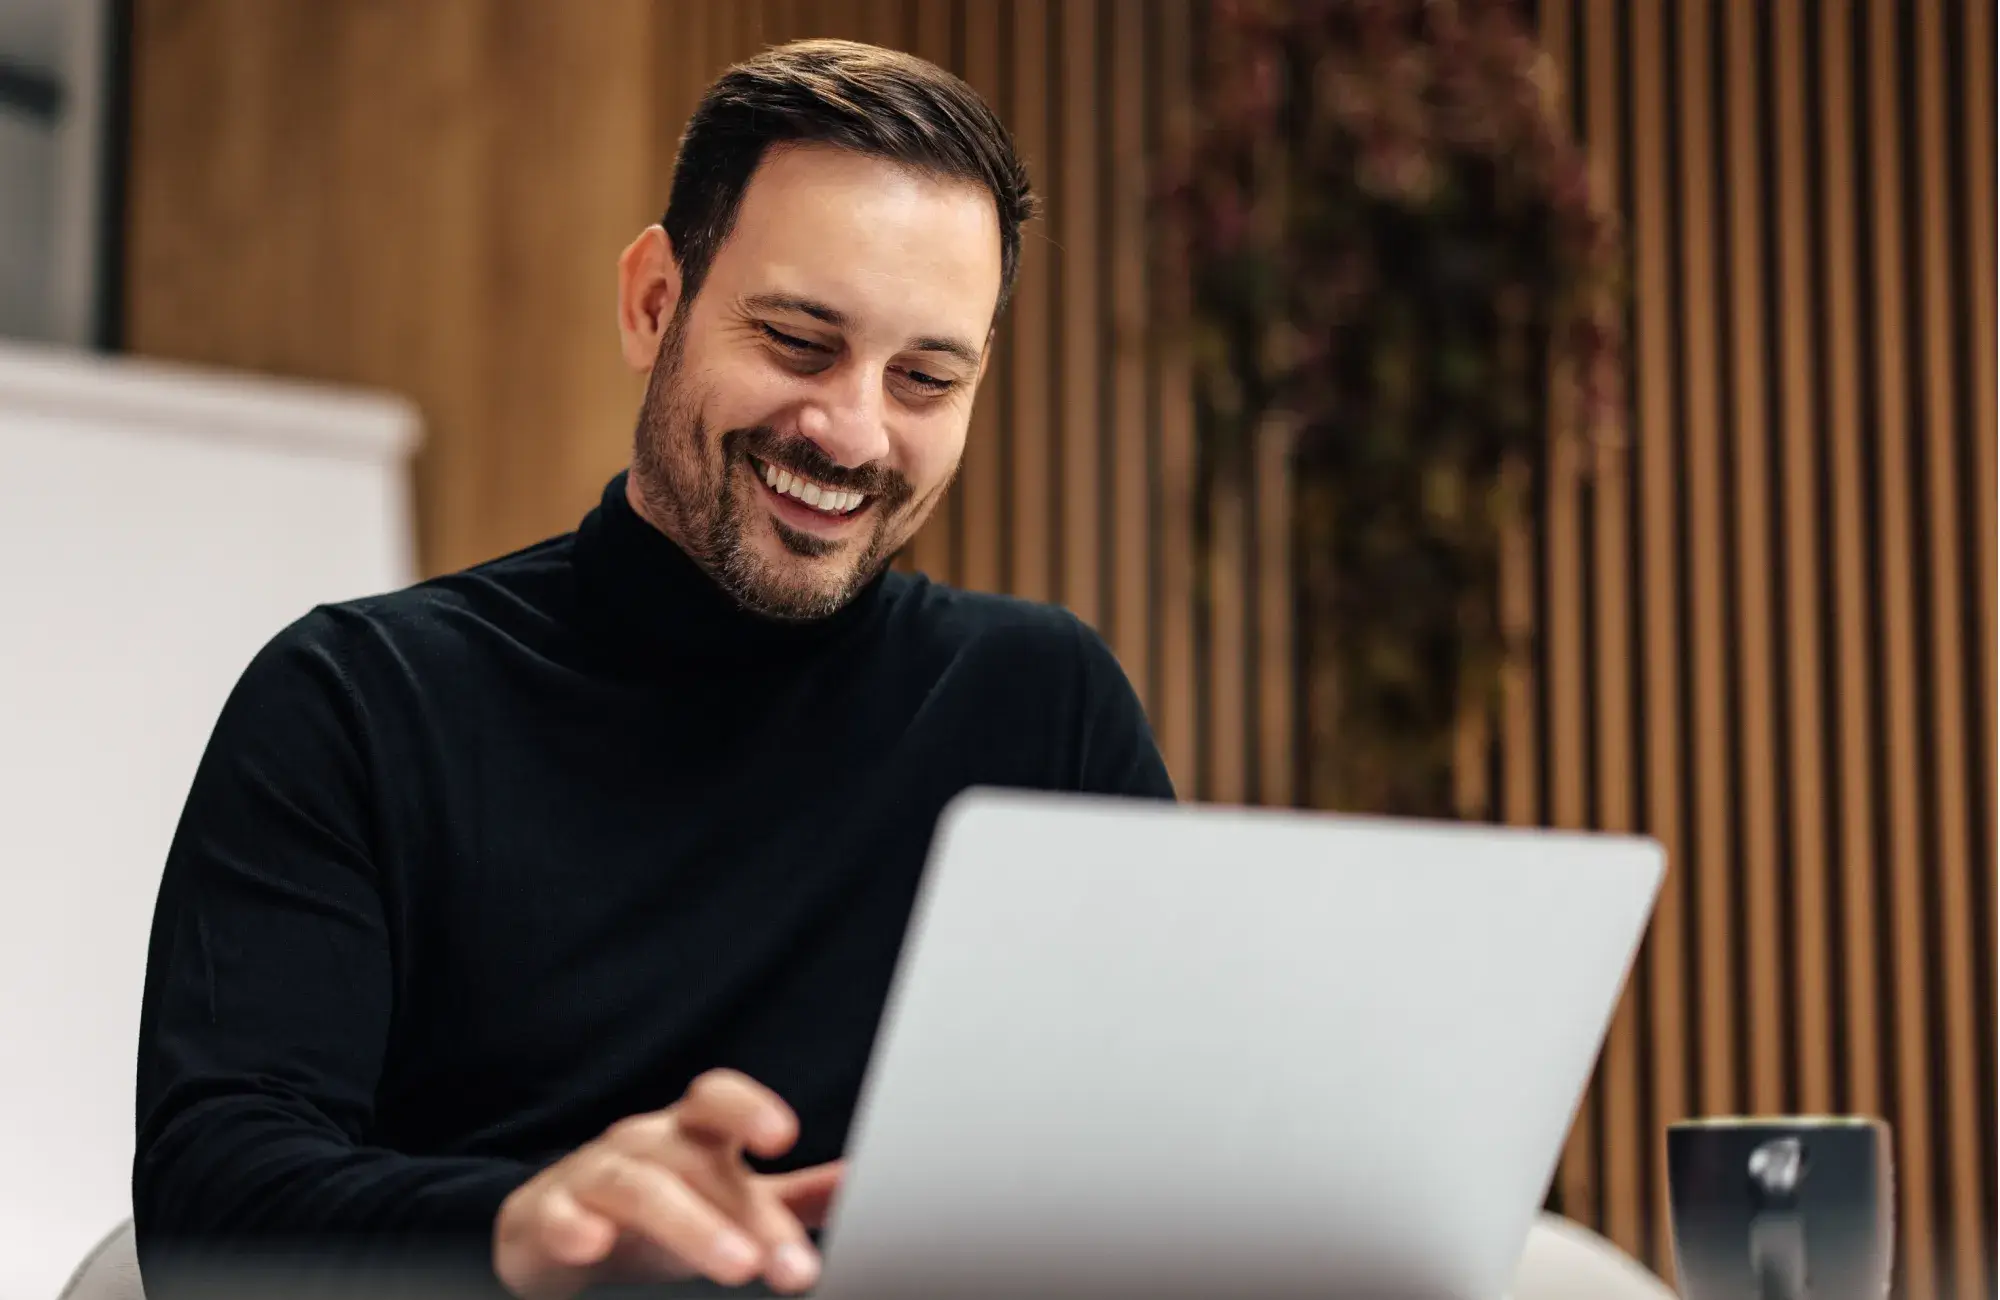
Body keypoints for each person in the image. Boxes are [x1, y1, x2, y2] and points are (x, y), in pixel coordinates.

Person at [131, 36, 1173, 1300]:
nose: (851, 430)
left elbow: (1168, 1146)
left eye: (923, 378)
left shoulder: (1040, 702)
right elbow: (208, 1199)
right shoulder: (356, 700)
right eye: (796, 341)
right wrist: (526, 1223)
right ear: (651, 302)